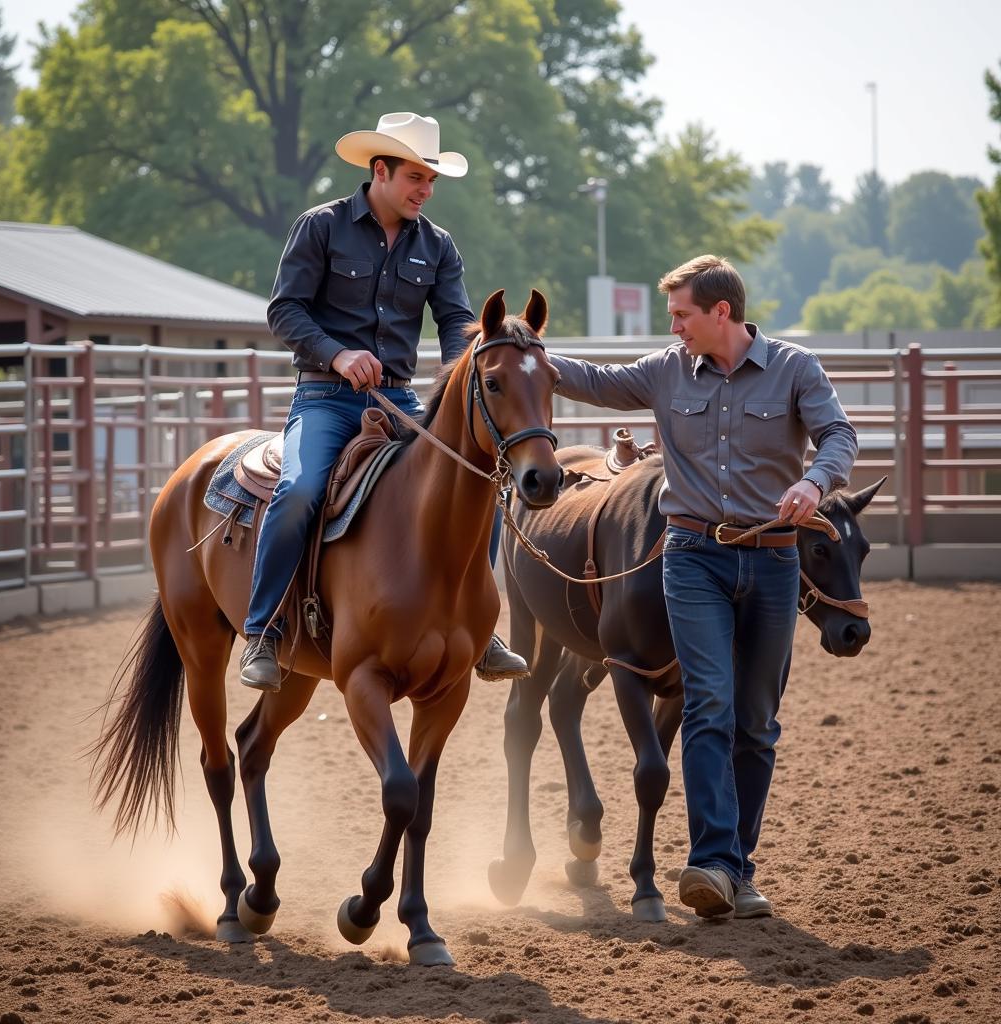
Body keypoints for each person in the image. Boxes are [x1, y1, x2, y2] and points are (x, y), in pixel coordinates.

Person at [548, 255, 857, 919]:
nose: (674, 327)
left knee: (756, 721)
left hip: (773, 561)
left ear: (722, 313)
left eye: (683, 315)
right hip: (691, 555)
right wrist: (528, 357)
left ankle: (737, 871)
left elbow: (839, 436)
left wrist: (815, 481)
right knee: (708, 703)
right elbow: (598, 382)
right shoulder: (665, 370)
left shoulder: (795, 369)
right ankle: (712, 863)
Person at [240, 111, 527, 691]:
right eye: (416, 178)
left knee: (476, 484)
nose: (425, 190)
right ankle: (263, 630)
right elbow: (284, 310)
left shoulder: (438, 247)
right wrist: (337, 355)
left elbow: (454, 321)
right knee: (298, 493)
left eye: (431, 181)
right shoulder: (320, 227)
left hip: (398, 402)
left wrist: (469, 370)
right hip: (325, 398)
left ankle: (479, 622)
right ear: (381, 170)